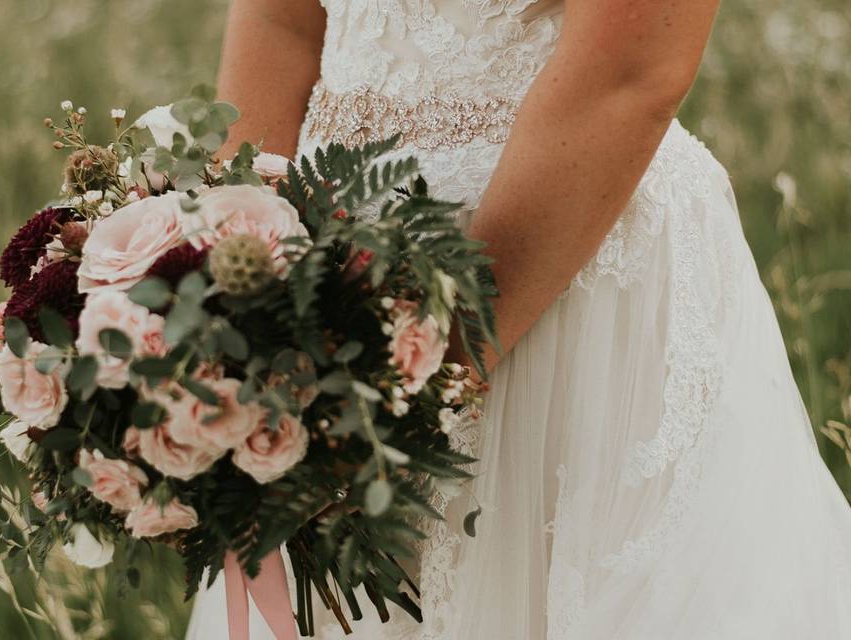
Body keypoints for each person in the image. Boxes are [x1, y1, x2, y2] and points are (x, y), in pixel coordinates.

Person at [188, 1, 851, 638]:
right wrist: (238, 304)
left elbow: (629, 77)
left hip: (558, 287)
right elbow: (281, 22)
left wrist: (394, 397)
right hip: (317, 283)